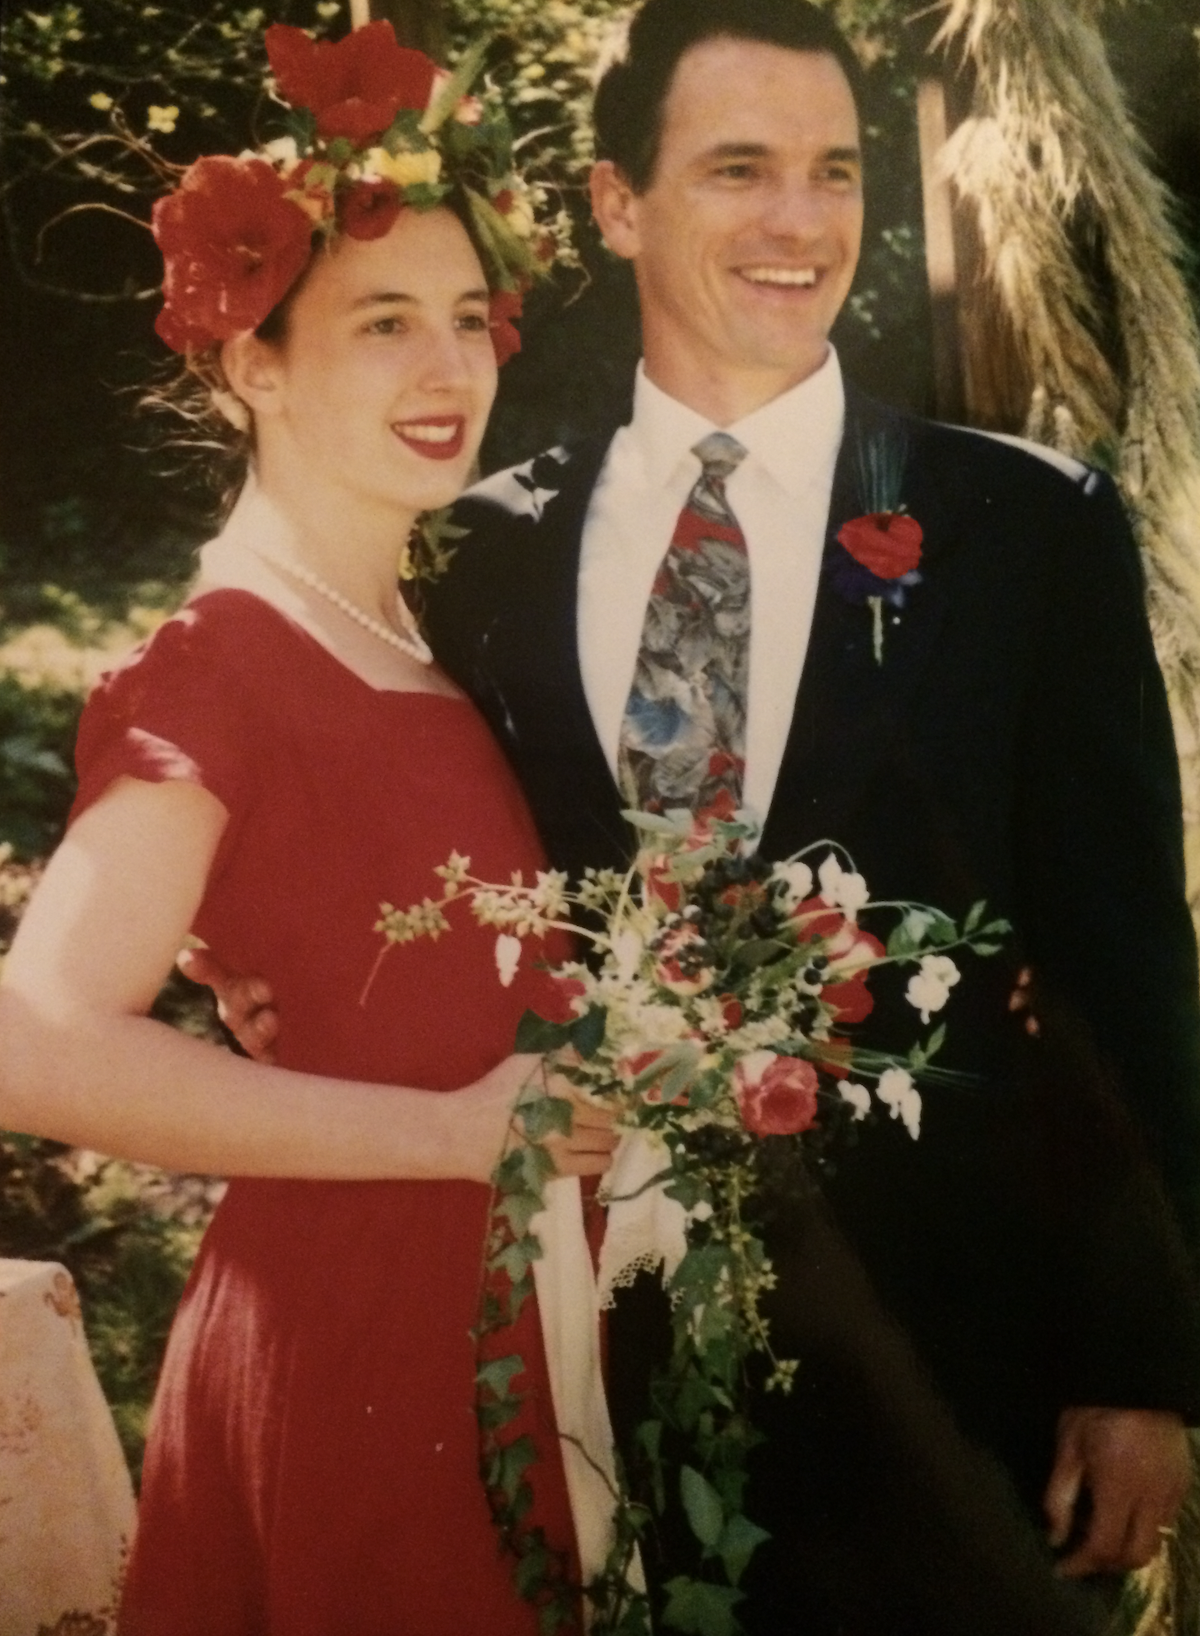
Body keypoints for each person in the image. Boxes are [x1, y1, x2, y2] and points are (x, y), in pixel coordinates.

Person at [204, 3, 1200, 1633]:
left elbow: (1119, 964)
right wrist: (257, 973)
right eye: (738, 168)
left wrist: (1140, 1368)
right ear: (616, 201)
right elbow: (378, 827)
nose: (799, 223)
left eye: (832, 172)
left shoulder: (1027, 528)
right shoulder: (475, 552)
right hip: (570, 1365)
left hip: (956, 1388)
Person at [0, 24, 616, 1636]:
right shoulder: (217, 665)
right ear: (253, 361)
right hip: (356, 1346)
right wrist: (450, 1136)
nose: (449, 371)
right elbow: (40, 1045)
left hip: (503, 1335)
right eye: (384, 323)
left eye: (471, 322)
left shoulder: (431, 632)